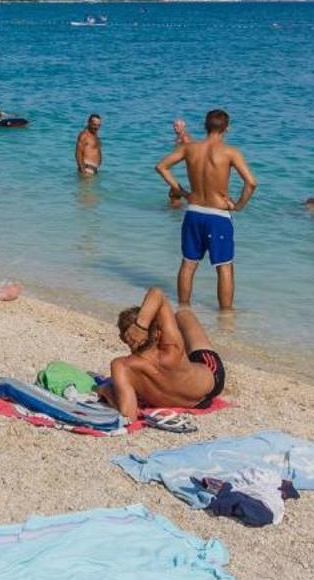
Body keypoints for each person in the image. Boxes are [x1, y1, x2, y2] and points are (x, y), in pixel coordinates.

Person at [154, 108, 257, 309]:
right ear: (227, 128)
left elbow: (161, 166)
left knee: (189, 262)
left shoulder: (190, 148)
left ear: (205, 126)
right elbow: (251, 183)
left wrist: (182, 192)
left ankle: (183, 308)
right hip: (217, 215)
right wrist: (238, 206)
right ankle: (225, 316)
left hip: (193, 212)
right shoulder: (230, 152)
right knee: (224, 267)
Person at [99, 286, 225, 419]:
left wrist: (106, 390)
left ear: (122, 338)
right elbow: (157, 293)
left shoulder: (121, 366)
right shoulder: (172, 348)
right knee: (184, 315)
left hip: (192, 400)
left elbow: (129, 415)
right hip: (211, 383)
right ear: (158, 333)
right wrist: (142, 325)